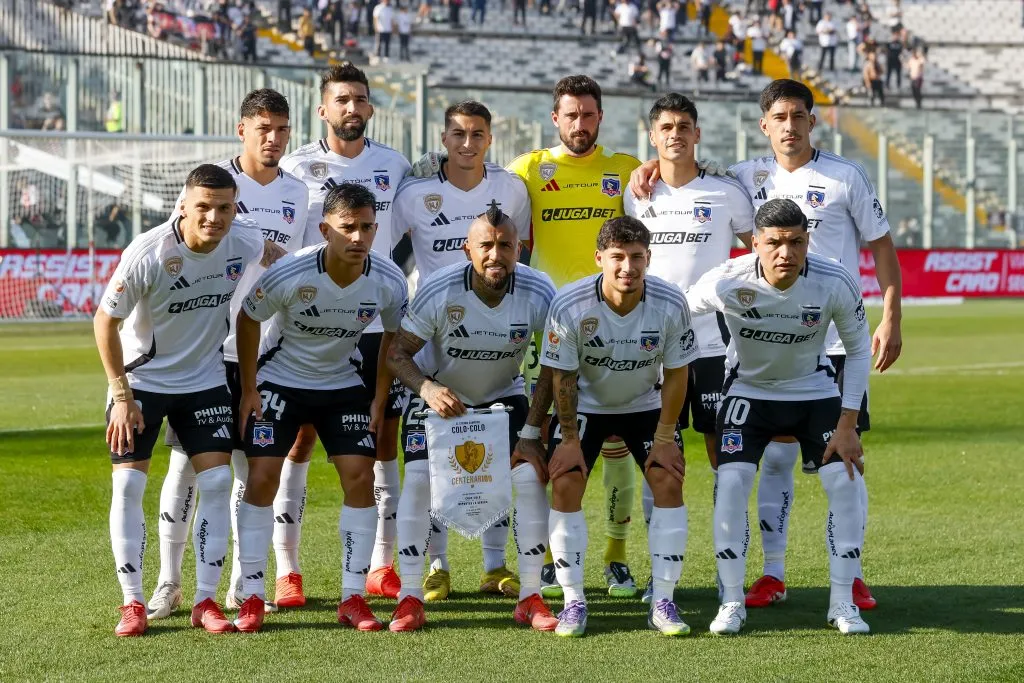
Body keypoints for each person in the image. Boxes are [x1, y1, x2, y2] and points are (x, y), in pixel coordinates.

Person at [629, 79, 903, 615]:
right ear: (765, 124)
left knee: (846, 457)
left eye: (799, 116)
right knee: (774, 459)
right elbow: (686, 178)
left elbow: (882, 245)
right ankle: (772, 573)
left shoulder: (845, 176)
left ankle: (852, 574)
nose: (790, 126)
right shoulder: (745, 177)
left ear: (811, 121)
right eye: (779, 117)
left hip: (832, 333)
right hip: (770, 339)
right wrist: (650, 168)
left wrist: (891, 315)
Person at [95, 164, 282, 637]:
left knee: (218, 483)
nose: (214, 218)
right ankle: (133, 603)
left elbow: (281, 260)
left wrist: (250, 386)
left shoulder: (245, 241)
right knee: (128, 488)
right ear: (184, 204)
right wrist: (121, 395)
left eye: (224, 208)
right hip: (142, 384)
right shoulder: (149, 252)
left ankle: (204, 600)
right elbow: (104, 322)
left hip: (203, 382)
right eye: (204, 207)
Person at [145, 90, 310, 621]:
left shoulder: (298, 193)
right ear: (241, 129)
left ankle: (243, 581)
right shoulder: (210, 182)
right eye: (264, 127)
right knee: (186, 467)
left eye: (282, 129)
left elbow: (296, 263)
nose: (274, 138)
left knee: (251, 466)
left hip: (263, 350)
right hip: (202, 349)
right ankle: (169, 583)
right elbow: (176, 247)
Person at [687, 198, 872, 636]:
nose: (785, 253)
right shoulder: (728, 280)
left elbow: (859, 349)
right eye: (774, 243)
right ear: (755, 243)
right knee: (730, 483)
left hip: (814, 391)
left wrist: (847, 426)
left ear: (808, 241)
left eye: (796, 242)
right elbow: (676, 312)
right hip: (749, 391)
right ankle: (732, 601)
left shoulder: (833, 280)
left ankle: (843, 603)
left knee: (846, 482)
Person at [232, 183, 409, 633]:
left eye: (367, 227)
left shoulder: (388, 279)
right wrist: (250, 388)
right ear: (326, 230)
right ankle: (252, 591)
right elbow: (248, 318)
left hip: (342, 383)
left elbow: (393, 338)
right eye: (348, 228)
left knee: (359, 476)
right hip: (281, 381)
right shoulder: (290, 272)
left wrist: (378, 397)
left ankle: (352, 596)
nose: (359, 237)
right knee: (262, 476)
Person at [385, 208, 558, 632]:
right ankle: (411, 594)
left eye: (505, 245)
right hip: (441, 393)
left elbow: (557, 361)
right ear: (468, 250)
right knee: (421, 479)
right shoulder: (440, 290)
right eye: (486, 245)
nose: (495, 255)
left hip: (504, 393)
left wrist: (535, 429)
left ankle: (529, 594)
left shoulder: (539, 290)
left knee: (529, 476)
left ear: (520, 249)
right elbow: (396, 354)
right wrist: (426, 388)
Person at [505, 76, 644, 599]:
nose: (579, 124)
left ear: (599, 118)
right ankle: (543, 557)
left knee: (614, 444)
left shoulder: (627, 171)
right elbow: (482, 188)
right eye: (570, 115)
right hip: (548, 326)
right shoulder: (529, 169)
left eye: (588, 115)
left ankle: (615, 557)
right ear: (554, 118)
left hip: (612, 326)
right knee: (540, 442)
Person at [279, 63, 413, 602]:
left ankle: (383, 563)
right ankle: (287, 569)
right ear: (323, 109)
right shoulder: (294, 166)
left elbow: (406, 231)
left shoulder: (395, 167)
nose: (352, 108)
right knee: (299, 439)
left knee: (382, 436)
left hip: (375, 320)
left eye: (360, 99)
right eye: (342, 100)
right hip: (308, 318)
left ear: (370, 108)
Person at [390, 101, 531, 602]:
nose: (467, 143)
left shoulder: (511, 189)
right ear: (443, 138)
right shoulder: (416, 191)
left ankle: (496, 568)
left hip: (496, 350)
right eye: (457, 134)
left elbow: (519, 248)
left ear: (490, 138)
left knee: (493, 468)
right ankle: (435, 567)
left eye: (477, 134)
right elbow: (390, 255)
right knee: (432, 474)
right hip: (432, 340)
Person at [541, 216, 699, 637]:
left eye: (636, 257)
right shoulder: (571, 303)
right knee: (566, 481)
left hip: (644, 403)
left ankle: (663, 599)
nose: (627, 267)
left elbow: (679, 373)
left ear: (648, 258)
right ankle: (574, 600)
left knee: (668, 481)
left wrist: (665, 438)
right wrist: (570, 439)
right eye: (617, 258)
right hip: (587, 405)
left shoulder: (670, 302)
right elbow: (562, 376)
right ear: (599, 259)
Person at [623, 93, 753, 602]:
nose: (675, 134)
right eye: (666, 128)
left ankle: (730, 576)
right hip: (654, 347)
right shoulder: (636, 193)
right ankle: (662, 575)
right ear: (653, 137)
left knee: (728, 458)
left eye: (684, 126)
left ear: (697, 134)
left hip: (716, 344)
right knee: (663, 456)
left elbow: (757, 245)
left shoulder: (726, 192)